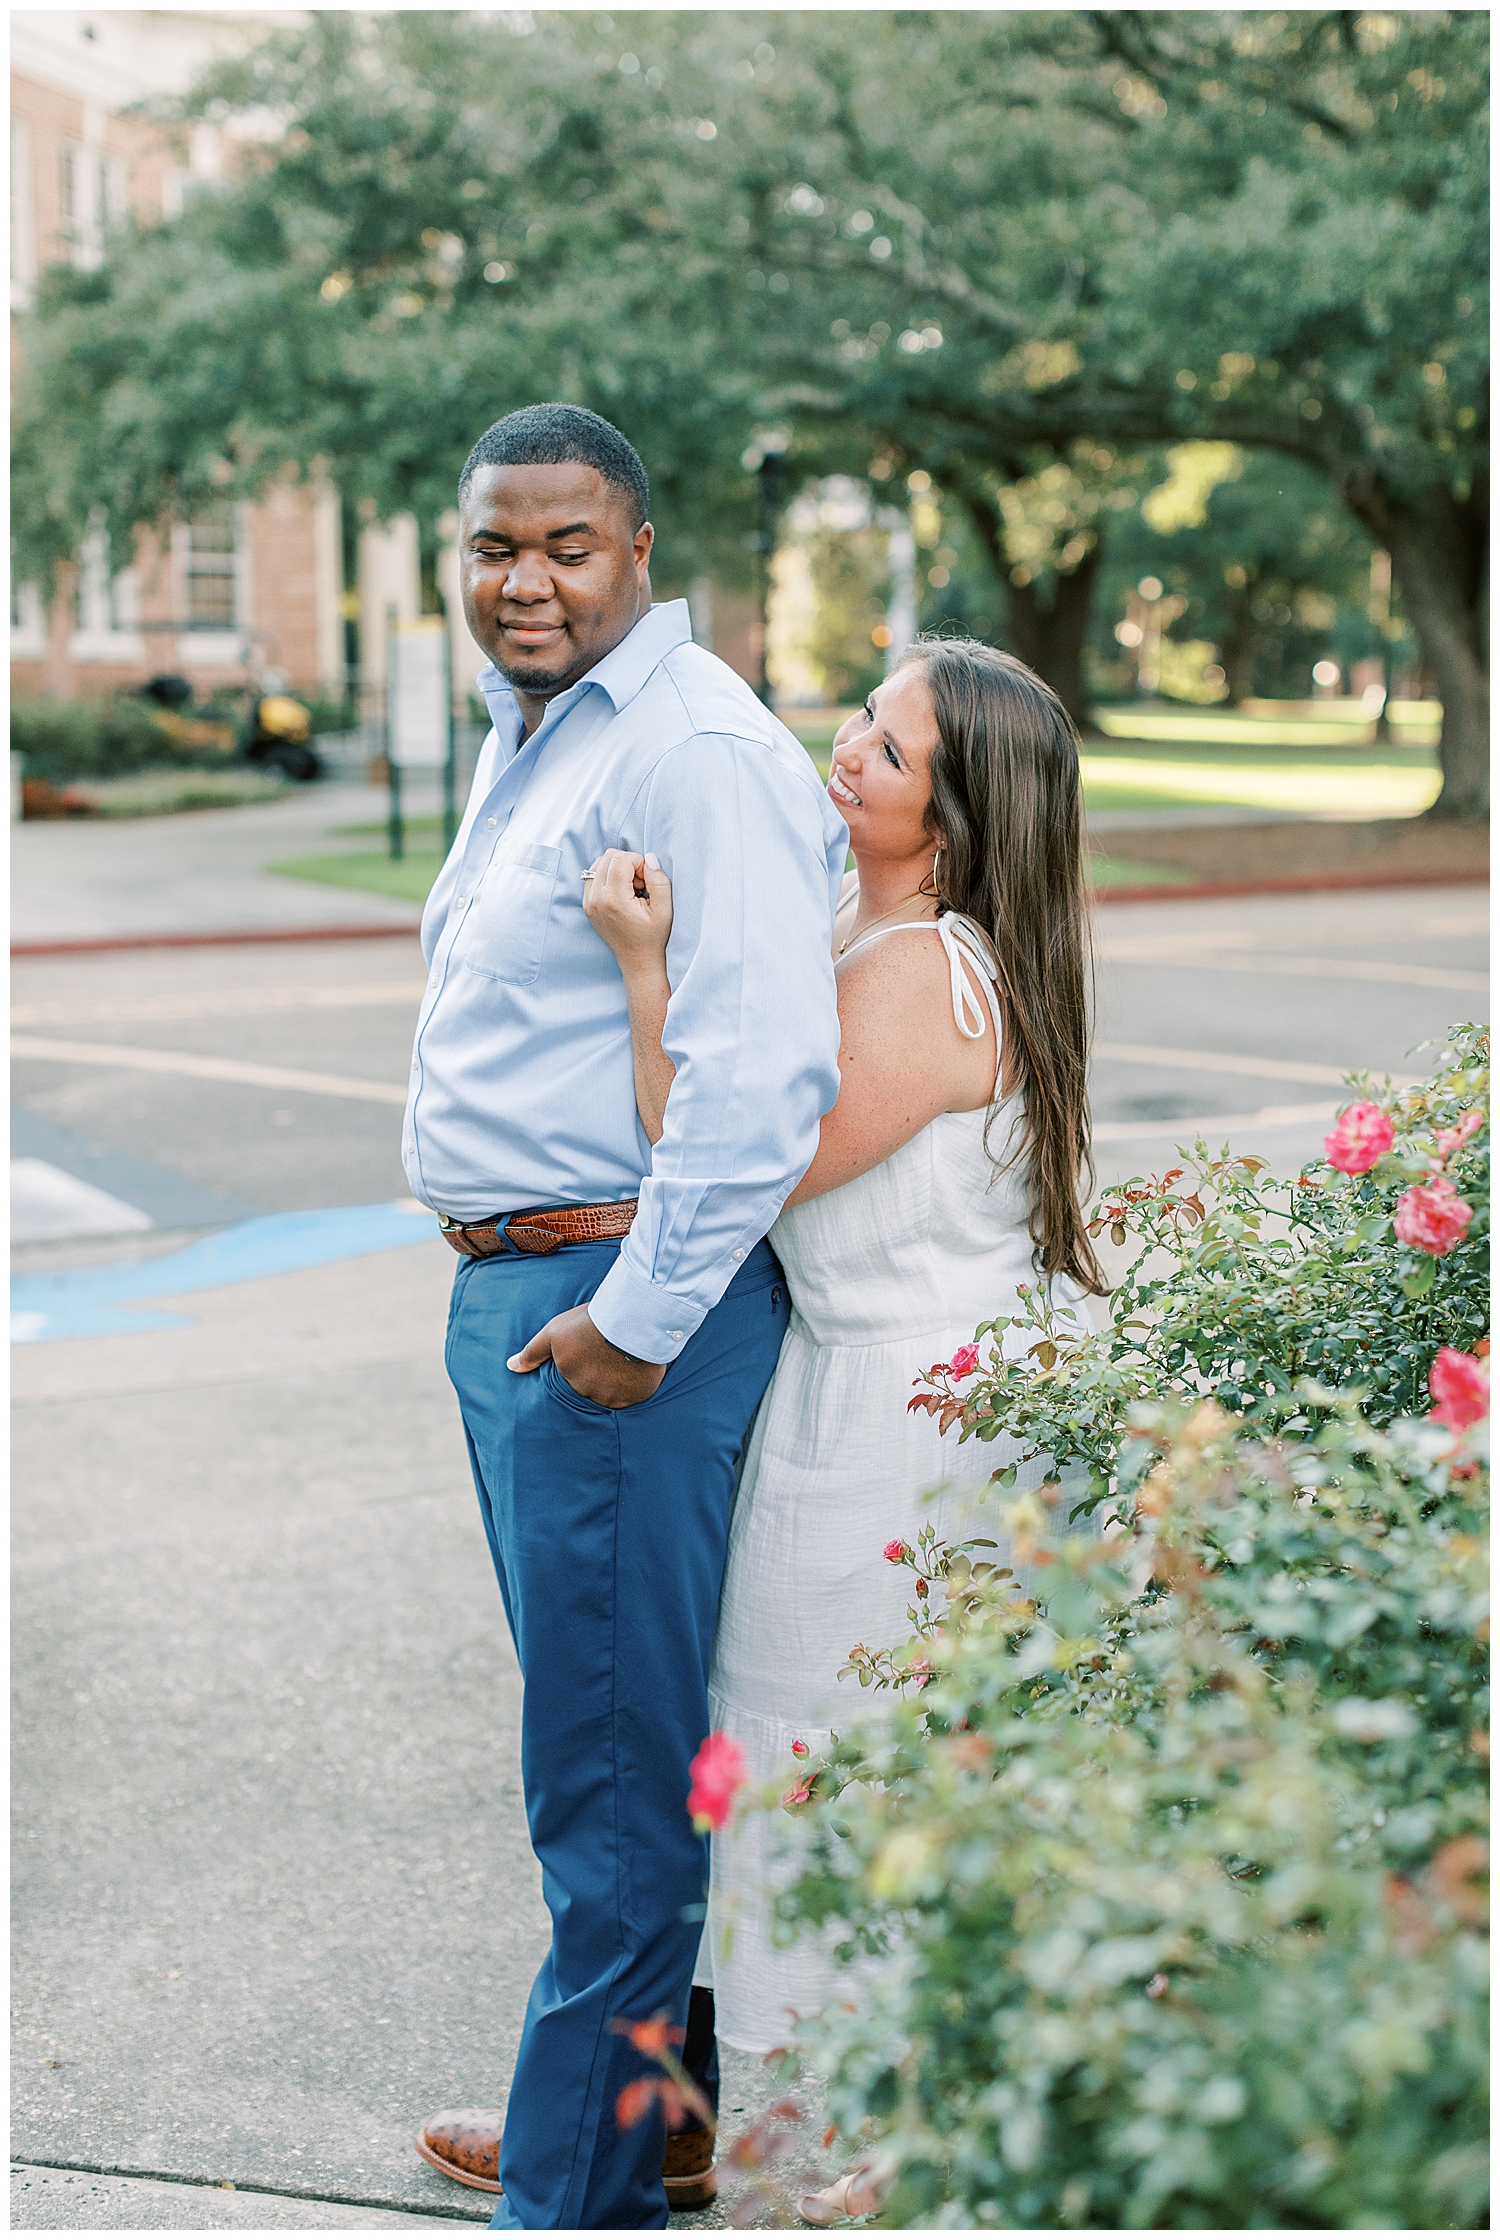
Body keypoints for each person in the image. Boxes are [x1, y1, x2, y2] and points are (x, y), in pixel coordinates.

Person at [582, 640, 1106, 2225]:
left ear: (955, 807)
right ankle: (776, 2124)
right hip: (879, 1390)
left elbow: (724, 1155)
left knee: (829, 1774)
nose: (848, 746)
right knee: (826, 1767)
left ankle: (835, 2158)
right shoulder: (867, 933)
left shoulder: (917, 973)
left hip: (904, 1426)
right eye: (862, 718)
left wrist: (640, 968)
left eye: (888, 743)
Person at [405, 403, 847, 2231]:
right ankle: (644, 2109)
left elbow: (762, 1082)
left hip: (607, 1315)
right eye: (495, 546)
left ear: (643, 551)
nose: (525, 581)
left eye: (566, 547)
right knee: (611, 1745)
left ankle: (574, 2194)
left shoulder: (694, 750)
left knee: (609, 1789)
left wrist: (635, 1325)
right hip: (530, 1294)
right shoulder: (545, 733)